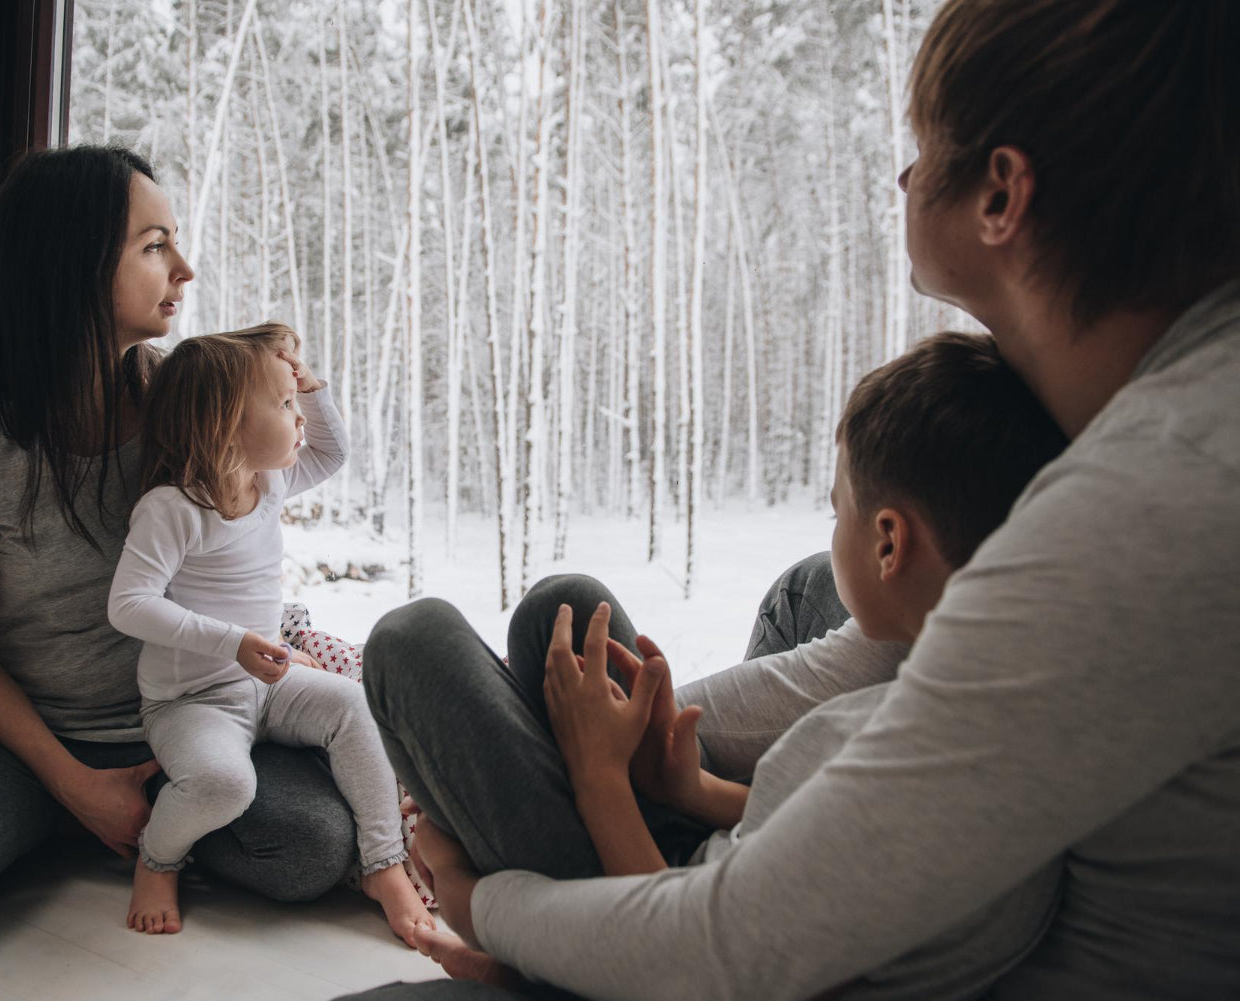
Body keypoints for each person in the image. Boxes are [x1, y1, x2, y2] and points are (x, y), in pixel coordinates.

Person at [347, 0, 1240, 997]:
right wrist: (642, 741)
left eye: (928, 145)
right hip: (825, 883)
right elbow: (880, 656)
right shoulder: (1132, 417)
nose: (904, 177)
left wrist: (483, 895)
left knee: (424, 650)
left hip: (840, 954)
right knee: (796, 587)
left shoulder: (1143, 506)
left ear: (1001, 194)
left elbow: (723, 944)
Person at [0, 146, 358, 962]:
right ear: (70, 263)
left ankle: (144, 826)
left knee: (313, 846)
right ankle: (79, 819)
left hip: (191, 720)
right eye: (153, 245)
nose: (185, 267)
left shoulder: (184, 400)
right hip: (32, 740)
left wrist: (296, 384)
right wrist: (74, 783)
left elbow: (289, 472)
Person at [105, 324, 433, 942]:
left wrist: (310, 389)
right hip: (191, 702)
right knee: (226, 784)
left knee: (354, 707)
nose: (298, 417)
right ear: (224, 424)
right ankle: (159, 857)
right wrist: (231, 642)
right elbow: (129, 605)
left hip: (270, 682)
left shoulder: (270, 481)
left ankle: (383, 861)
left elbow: (333, 454)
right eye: (283, 406)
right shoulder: (171, 510)